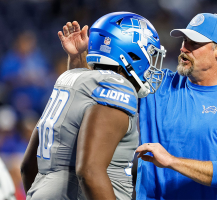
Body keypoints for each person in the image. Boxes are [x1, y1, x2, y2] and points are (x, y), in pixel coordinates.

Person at [20, 12, 166, 200]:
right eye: (150, 53)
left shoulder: (68, 79)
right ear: (132, 53)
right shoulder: (118, 87)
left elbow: (28, 166)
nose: (151, 65)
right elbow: (89, 171)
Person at [135, 13, 217, 199]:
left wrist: (172, 161)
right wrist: (79, 59)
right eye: (184, 41)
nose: (183, 48)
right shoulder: (157, 85)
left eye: (194, 44)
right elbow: (106, 84)